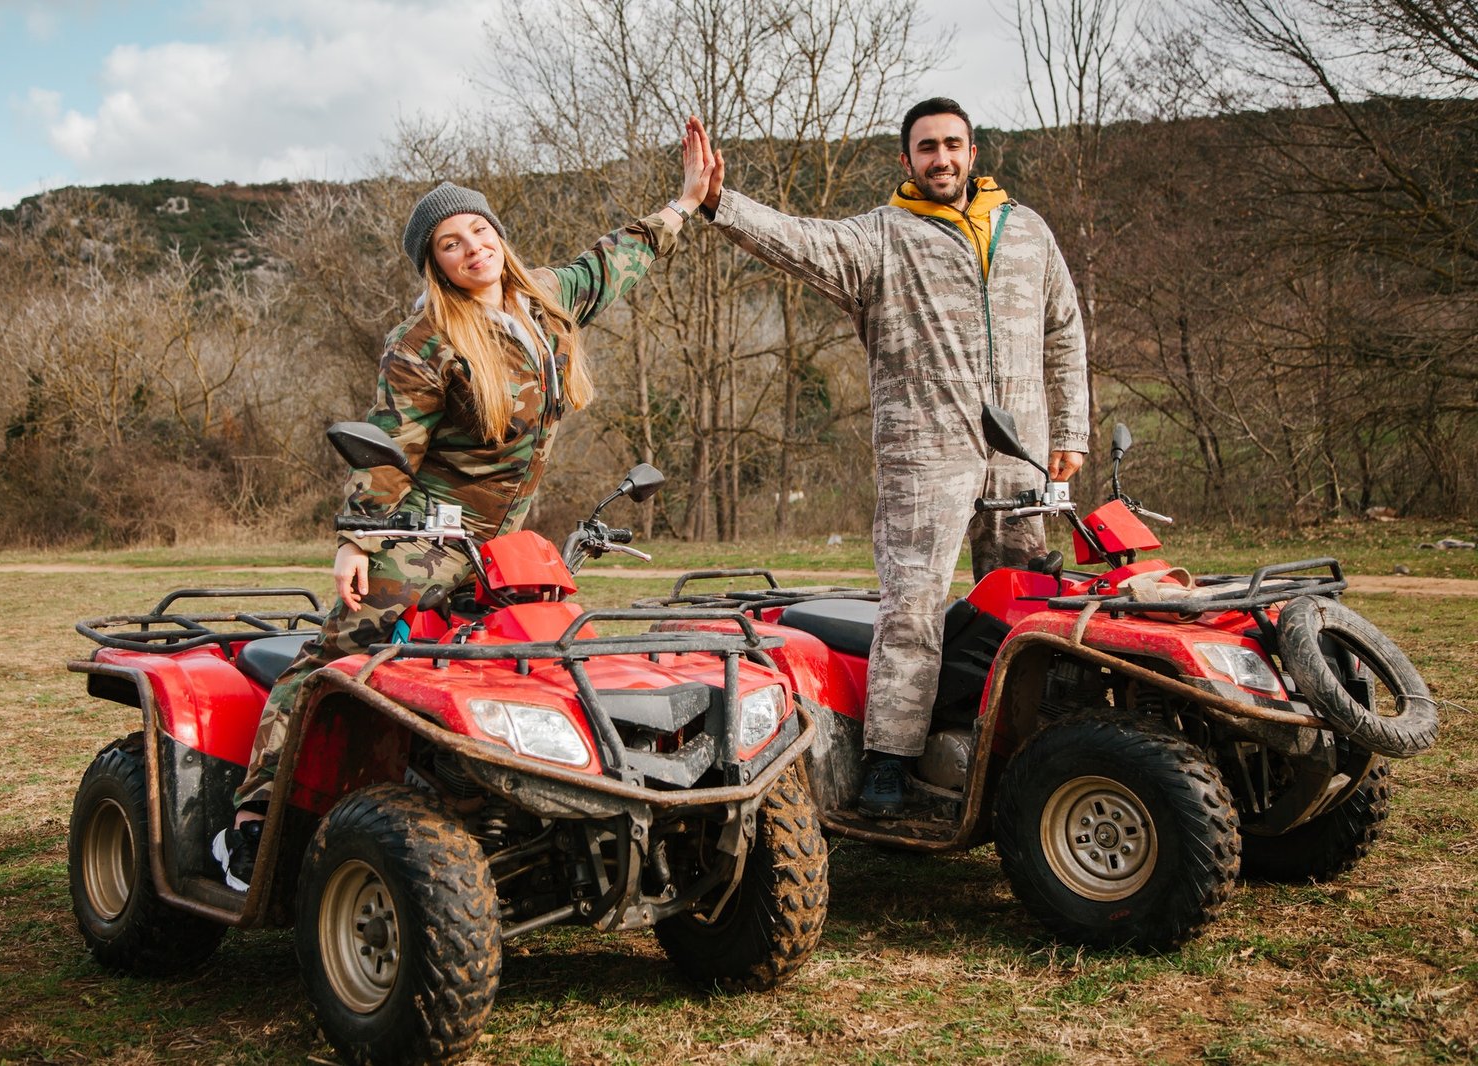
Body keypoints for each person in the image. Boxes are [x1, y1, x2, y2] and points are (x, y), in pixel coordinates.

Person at [213, 121, 718, 891]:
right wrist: (357, 538)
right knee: (339, 661)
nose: (471, 247)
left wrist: (684, 202)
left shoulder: (544, 301)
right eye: (449, 242)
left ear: (497, 235)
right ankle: (251, 821)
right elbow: (391, 443)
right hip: (423, 535)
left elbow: (618, 260)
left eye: (478, 230)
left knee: (533, 663)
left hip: (503, 543)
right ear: (434, 263)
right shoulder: (422, 341)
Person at [692, 99, 1088, 818]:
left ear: (974, 151)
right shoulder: (881, 238)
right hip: (925, 452)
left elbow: (1064, 331)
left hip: (1021, 454)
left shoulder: (1027, 231)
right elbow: (794, 239)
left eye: (954, 145)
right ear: (906, 161)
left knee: (1025, 599)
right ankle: (890, 760)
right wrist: (720, 203)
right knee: (913, 606)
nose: (942, 159)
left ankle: (1015, 747)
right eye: (927, 148)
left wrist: (1072, 432)